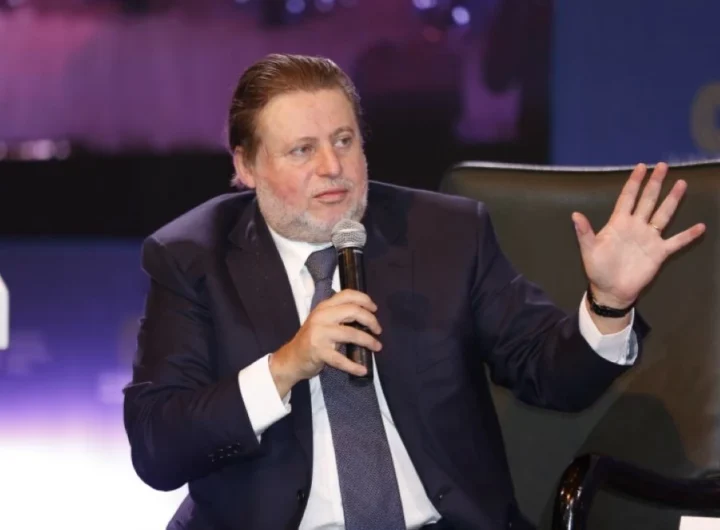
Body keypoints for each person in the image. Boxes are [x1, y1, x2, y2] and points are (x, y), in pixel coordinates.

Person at [123, 54, 706, 530]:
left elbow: (552, 374)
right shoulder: (193, 259)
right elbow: (158, 448)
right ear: (246, 166)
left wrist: (609, 303)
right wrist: (284, 367)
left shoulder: (444, 234)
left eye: (344, 140)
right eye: (302, 150)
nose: (332, 166)